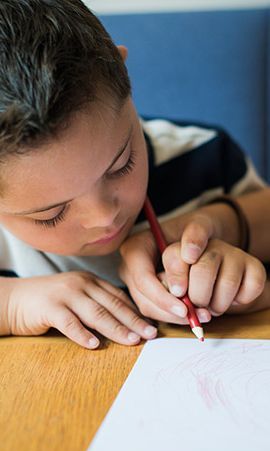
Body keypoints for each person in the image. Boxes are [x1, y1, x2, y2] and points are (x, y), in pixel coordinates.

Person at [0, 0, 268, 349]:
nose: (105, 217)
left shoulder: (204, 158)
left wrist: (231, 231)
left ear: (123, 74)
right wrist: (11, 304)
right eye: (50, 214)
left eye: (121, 164)